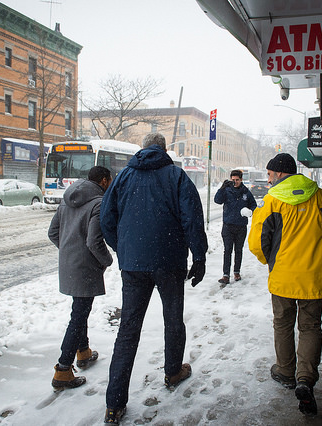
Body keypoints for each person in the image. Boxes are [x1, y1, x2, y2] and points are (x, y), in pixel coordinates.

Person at [100, 133, 208, 424]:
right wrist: (199, 256)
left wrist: (123, 248)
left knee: (128, 330)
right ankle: (173, 371)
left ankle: (114, 404)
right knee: (173, 319)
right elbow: (192, 219)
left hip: (133, 264)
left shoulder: (123, 177)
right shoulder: (176, 176)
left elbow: (106, 219)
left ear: (143, 149)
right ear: (162, 149)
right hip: (169, 261)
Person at [247, 153, 322, 416]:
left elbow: (257, 243)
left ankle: (286, 372)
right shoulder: (321, 197)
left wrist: (272, 261)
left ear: (279, 174)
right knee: (311, 326)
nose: (268, 181)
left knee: (283, 324)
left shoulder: (272, 202)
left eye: (269, 175)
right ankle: (305, 379)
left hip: (283, 278)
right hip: (315, 276)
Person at [47, 166, 113, 390]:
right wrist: (107, 260)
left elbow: (52, 233)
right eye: (110, 180)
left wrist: (68, 252)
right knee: (79, 315)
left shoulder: (66, 199)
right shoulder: (98, 203)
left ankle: (83, 351)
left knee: (79, 308)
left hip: (69, 265)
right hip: (86, 267)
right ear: (104, 181)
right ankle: (63, 369)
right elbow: (94, 241)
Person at [214, 169, 257, 284]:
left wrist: (250, 211)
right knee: (227, 250)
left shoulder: (246, 192)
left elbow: (254, 205)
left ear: (241, 179)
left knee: (238, 250)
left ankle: (236, 272)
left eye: (237, 180)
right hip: (228, 226)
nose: (235, 182)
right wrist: (222, 188)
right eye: (233, 180)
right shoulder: (227, 190)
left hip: (241, 226)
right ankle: (225, 275)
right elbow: (217, 200)